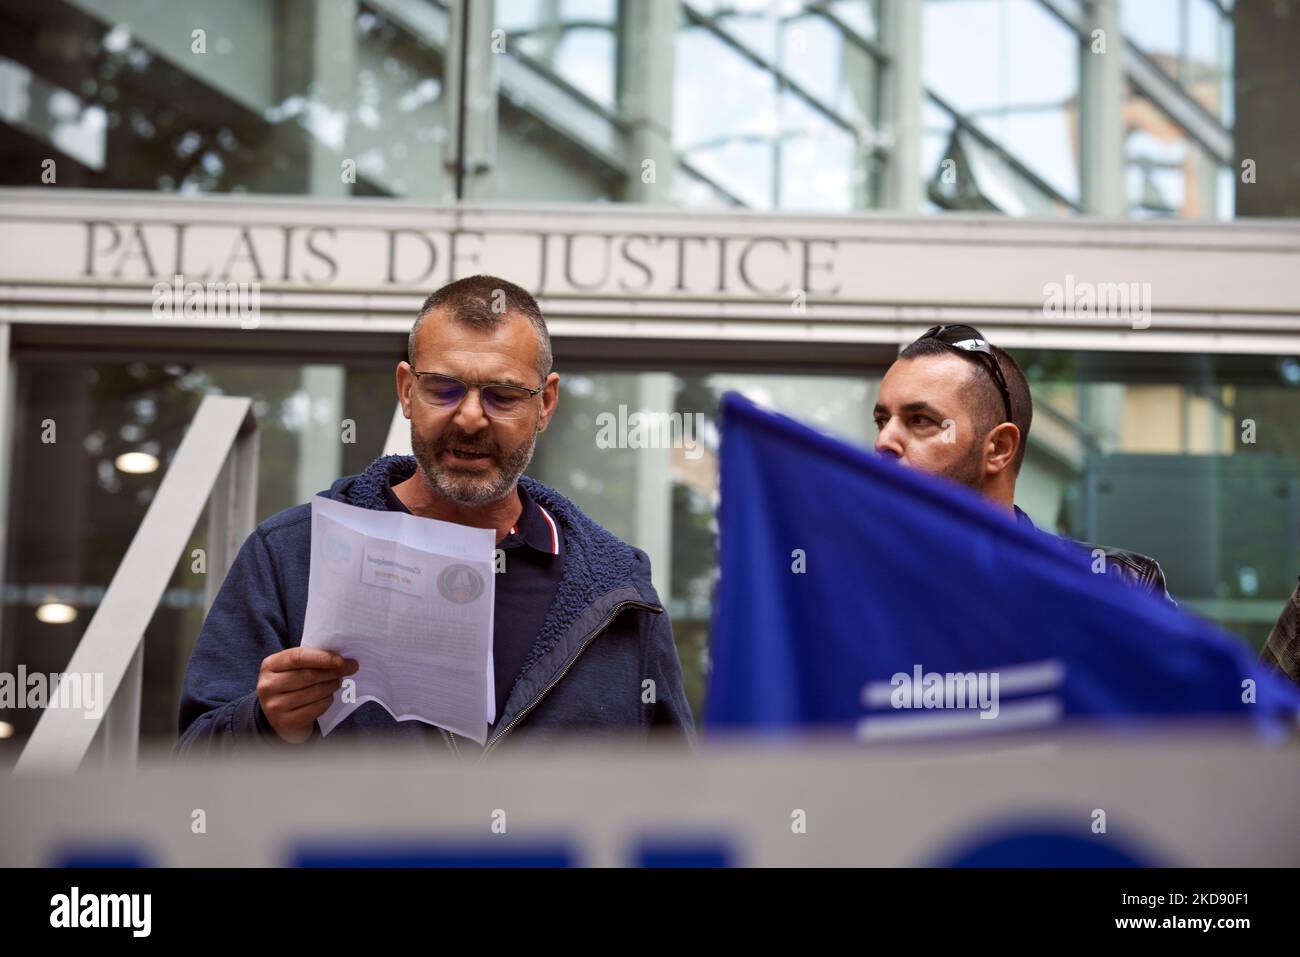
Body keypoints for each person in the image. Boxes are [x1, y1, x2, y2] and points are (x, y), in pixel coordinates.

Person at [177, 275, 693, 756]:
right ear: (406, 390)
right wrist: (265, 725)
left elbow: (676, 801)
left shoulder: (622, 591)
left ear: (546, 404)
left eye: (503, 395)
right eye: (443, 388)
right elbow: (191, 775)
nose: (470, 417)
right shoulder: (292, 554)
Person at [872, 324, 1175, 603]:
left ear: (999, 448)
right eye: (882, 421)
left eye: (921, 420)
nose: (883, 441)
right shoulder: (851, 580)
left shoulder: (1115, 588)